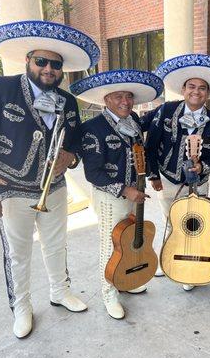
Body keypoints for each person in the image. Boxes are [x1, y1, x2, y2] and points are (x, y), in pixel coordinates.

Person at [0, 20, 100, 338]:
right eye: (42, 61)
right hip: (10, 190)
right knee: (18, 254)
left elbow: (77, 138)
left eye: (56, 64)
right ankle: (22, 306)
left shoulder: (66, 101)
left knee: (56, 246)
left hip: (53, 188)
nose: (49, 69)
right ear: (28, 61)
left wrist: (71, 156)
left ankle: (59, 292)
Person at [70, 69, 164, 319]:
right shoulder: (93, 128)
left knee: (130, 239)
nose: (125, 101)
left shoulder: (133, 119)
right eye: (117, 96)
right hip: (111, 196)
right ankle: (108, 291)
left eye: (128, 96)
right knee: (110, 246)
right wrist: (125, 190)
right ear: (106, 99)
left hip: (136, 193)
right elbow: (92, 173)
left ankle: (125, 280)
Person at [144, 53, 210, 291]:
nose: (196, 91)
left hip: (200, 182)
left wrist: (203, 167)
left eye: (202, 88)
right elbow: (151, 145)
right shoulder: (165, 111)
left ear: (208, 93)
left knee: (194, 223)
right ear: (183, 89)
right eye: (191, 86)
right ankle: (168, 257)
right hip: (168, 178)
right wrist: (153, 174)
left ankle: (190, 263)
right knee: (170, 220)